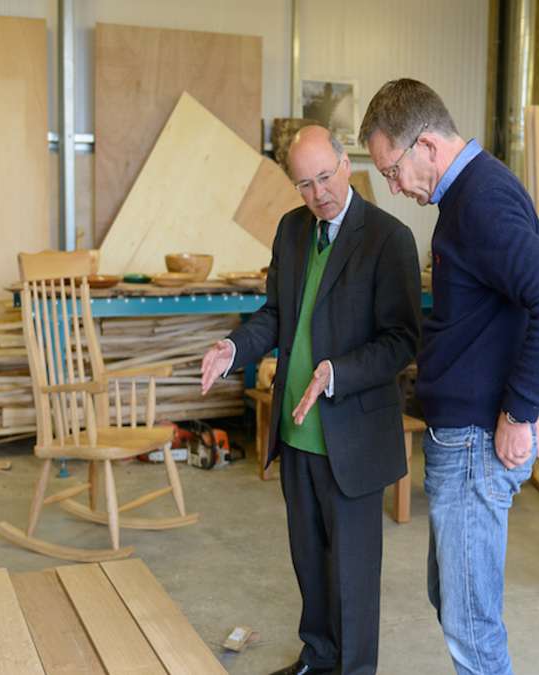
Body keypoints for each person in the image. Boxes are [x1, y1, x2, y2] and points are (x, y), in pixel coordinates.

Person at [360, 78, 539, 674]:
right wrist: (526, 391)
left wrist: (520, 408)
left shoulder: (479, 203)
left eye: (392, 170)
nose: (394, 187)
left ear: (427, 146)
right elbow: (510, 305)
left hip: (474, 443)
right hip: (464, 433)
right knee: (454, 599)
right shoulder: (477, 194)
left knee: (470, 622)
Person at [200, 126, 421, 675]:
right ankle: (317, 658)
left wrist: (336, 373)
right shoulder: (292, 231)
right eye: (305, 184)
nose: (319, 192)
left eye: (325, 176)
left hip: (352, 435)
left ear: (347, 164)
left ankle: (354, 670)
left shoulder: (388, 239)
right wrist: (233, 345)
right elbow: (276, 314)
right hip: (297, 433)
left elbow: (401, 341)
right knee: (310, 562)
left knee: (353, 570)